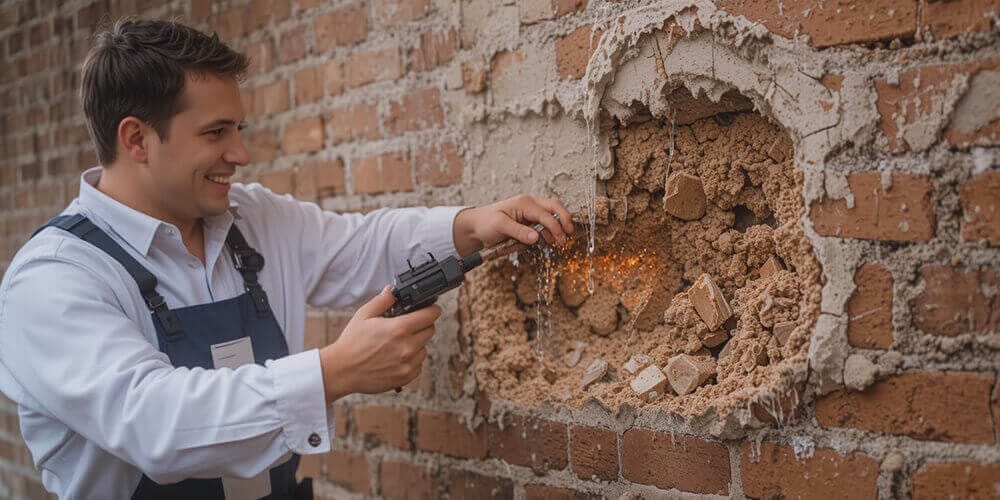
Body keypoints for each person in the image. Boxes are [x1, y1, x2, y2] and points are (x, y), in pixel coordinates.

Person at [0, 18, 574, 499]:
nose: (240, 153)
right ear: (136, 140)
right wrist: (335, 372)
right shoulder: (53, 280)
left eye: (239, 129)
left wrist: (469, 225)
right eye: (216, 132)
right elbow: (155, 422)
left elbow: (359, 245)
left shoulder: (251, 220)